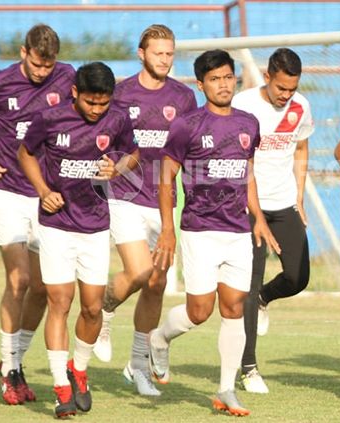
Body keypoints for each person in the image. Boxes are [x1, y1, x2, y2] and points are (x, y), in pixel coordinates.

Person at [148, 49, 278, 417]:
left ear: (235, 79)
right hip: (199, 230)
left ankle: (225, 390)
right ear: (201, 84)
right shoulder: (187, 126)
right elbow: (166, 178)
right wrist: (168, 232)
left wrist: (259, 217)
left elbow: (247, 172)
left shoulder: (248, 123)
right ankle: (159, 338)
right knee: (200, 311)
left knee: (234, 306)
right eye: (214, 79)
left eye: (227, 77)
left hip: (238, 230)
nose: (223, 84)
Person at [0, 24, 75, 406]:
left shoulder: (67, 77)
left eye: (49, 65)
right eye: (37, 64)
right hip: (6, 190)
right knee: (19, 278)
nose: (43, 72)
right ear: (24, 52)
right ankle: (10, 371)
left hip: (47, 194)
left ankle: (15, 362)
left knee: (44, 287)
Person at [18, 62, 139, 417]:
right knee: (60, 301)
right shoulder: (49, 119)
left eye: (103, 103)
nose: (97, 110)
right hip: (56, 223)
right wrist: (43, 190)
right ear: (75, 92)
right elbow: (25, 152)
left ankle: (79, 370)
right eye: (90, 102)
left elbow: (134, 153)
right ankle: (60, 387)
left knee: (91, 306)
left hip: (96, 226)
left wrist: (117, 168)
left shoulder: (117, 119)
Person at [90, 24, 197, 397]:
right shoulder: (120, 94)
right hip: (124, 194)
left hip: (164, 201)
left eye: (170, 54)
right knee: (138, 271)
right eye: (158, 53)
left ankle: (137, 367)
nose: (165, 60)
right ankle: (105, 311)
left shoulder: (184, 98)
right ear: (141, 53)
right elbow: (101, 136)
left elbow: (188, 150)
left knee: (157, 283)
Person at [231, 48, 314, 394]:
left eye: (292, 89)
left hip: (283, 204)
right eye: (281, 88)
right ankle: (248, 367)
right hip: (249, 206)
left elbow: (301, 149)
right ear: (267, 77)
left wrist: (298, 196)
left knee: (298, 276)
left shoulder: (301, 107)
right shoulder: (243, 105)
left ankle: (266, 298)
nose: (286, 95)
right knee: (248, 285)